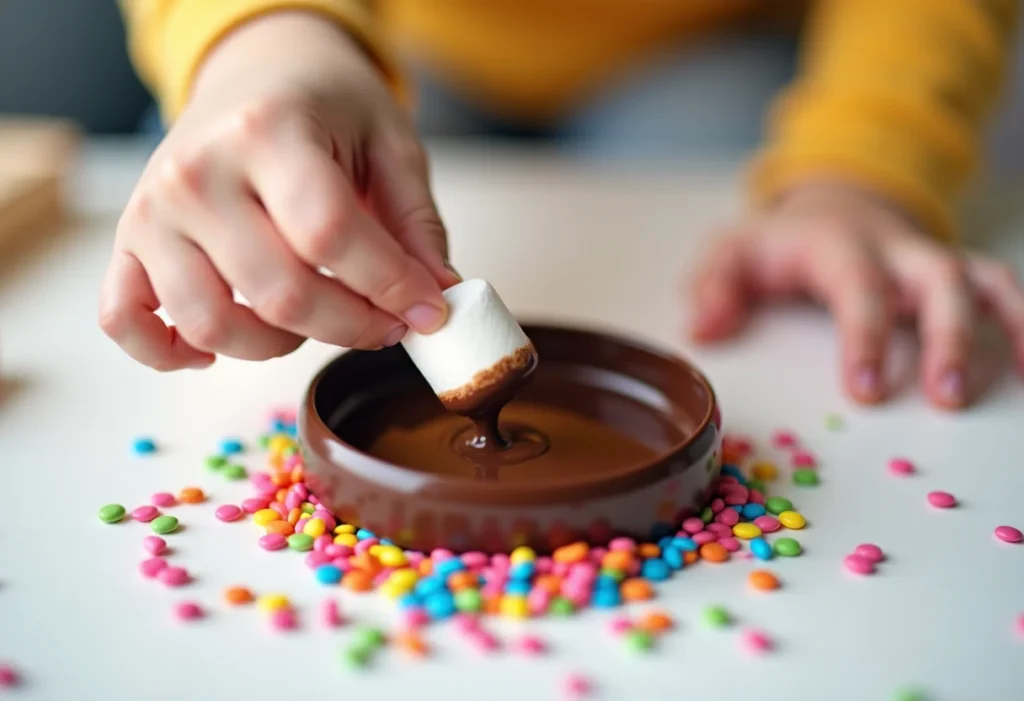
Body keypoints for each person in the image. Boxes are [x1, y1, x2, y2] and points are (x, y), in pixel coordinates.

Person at [100, 0, 1024, 411]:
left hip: (706, 43)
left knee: (699, 180)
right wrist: (262, 42)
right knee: (213, 182)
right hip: (383, 38)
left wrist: (862, 169)